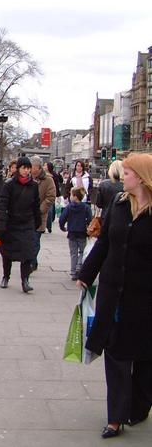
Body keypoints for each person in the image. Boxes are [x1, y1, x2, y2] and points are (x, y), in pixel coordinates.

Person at [77, 153, 152, 438]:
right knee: (116, 353)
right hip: (114, 293)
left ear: (142, 178)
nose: (124, 177)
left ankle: (140, 405)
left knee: (145, 358)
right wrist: (86, 274)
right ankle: (116, 418)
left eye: (129, 173)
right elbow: (105, 242)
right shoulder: (119, 205)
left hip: (144, 297)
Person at [0, 156, 40, 292]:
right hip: (11, 223)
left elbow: (36, 205)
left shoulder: (34, 186)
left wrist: (37, 221)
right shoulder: (9, 185)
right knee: (7, 252)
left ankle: (25, 280)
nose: (26, 171)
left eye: (28, 168)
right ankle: (6, 276)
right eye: (23, 168)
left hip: (27, 222)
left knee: (27, 253)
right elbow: (2, 204)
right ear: (18, 169)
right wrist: (1, 223)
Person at [58, 186, 92, 280]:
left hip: (72, 232)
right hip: (82, 232)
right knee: (82, 251)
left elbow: (62, 219)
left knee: (73, 253)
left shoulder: (69, 207)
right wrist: (89, 230)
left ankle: (73, 272)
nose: (70, 196)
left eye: (71, 195)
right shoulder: (86, 207)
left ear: (75, 197)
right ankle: (79, 267)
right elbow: (90, 220)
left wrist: (62, 227)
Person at [30, 156, 56, 271]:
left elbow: (51, 197)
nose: (29, 169)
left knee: (35, 240)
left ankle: (31, 262)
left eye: (31, 167)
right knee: (28, 241)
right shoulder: (27, 177)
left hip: (39, 216)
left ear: (37, 167)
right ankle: (32, 261)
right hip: (26, 215)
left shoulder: (48, 180)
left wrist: (40, 210)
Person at [45, 161, 63, 232]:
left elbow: (59, 182)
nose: (44, 167)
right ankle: (49, 223)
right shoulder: (45, 174)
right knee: (51, 208)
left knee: (50, 209)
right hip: (50, 193)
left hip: (51, 193)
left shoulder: (52, 175)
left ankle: (49, 224)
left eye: (45, 165)